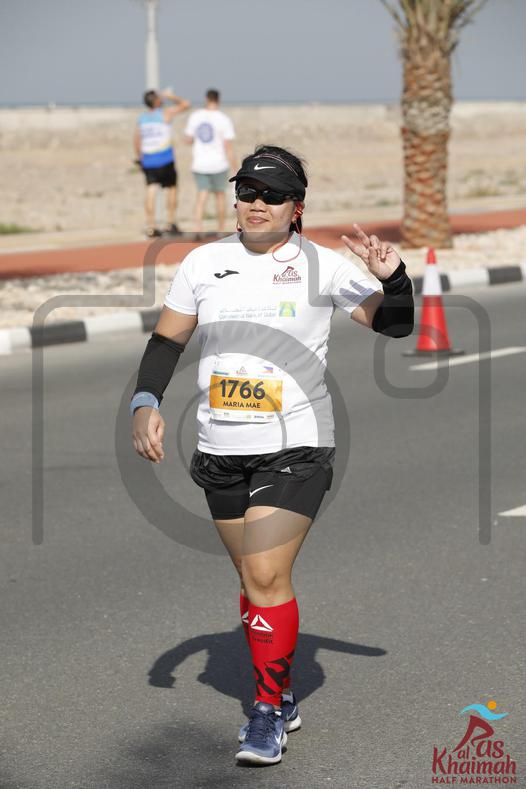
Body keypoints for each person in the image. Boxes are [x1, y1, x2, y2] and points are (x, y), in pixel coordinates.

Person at [130, 144, 414, 765]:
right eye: (247, 192)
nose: (257, 204)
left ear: (296, 207)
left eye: (273, 195)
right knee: (252, 579)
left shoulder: (321, 266)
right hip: (220, 447)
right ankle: (279, 686)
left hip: (296, 445)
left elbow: (394, 323)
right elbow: (167, 342)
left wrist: (393, 277)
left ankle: (265, 714)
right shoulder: (204, 263)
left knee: (264, 574)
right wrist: (145, 401)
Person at [134, 88, 191, 238]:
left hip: (148, 159)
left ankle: (151, 225)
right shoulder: (165, 113)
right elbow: (186, 104)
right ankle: (170, 223)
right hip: (165, 159)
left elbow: (137, 140)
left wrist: (139, 157)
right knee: (171, 189)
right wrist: (170, 96)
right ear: (157, 101)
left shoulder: (142, 119)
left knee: (151, 190)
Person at [184, 88, 236, 237]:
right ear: (218, 100)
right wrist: (234, 167)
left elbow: (188, 139)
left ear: (206, 99)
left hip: (200, 163)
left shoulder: (196, 116)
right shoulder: (224, 119)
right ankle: (221, 229)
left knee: (202, 195)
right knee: (220, 196)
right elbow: (228, 147)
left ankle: (197, 228)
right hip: (219, 163)